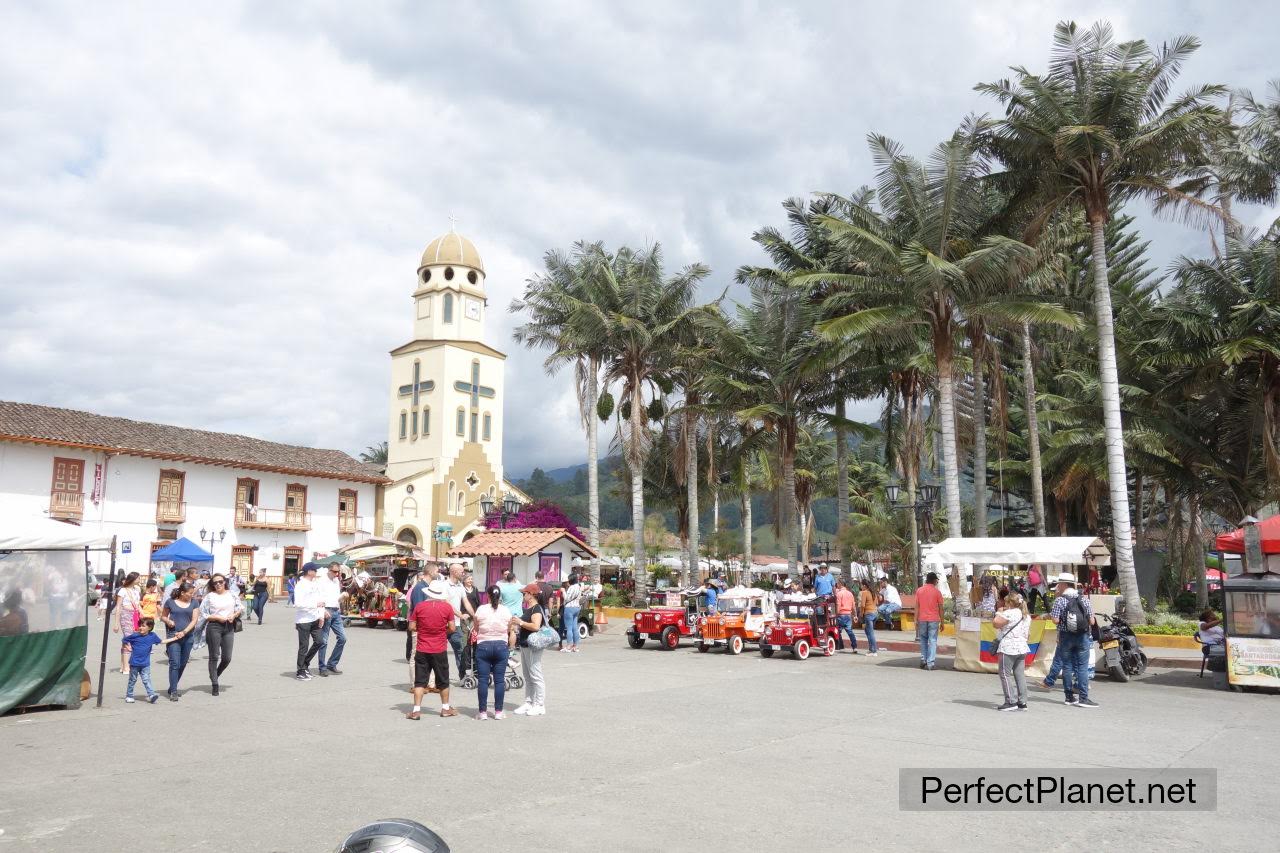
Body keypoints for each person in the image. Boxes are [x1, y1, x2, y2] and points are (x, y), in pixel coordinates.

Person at [406, 579, 457, 720]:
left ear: (428, 593)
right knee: (443, 680)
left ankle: (416, 711)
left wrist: (422, 629)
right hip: (439, 648)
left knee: (420, 681)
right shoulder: (447, 608)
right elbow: (452, 628)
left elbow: (411, 627)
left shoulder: (420, 607)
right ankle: (445, 708)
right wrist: (442, 631)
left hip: (422, 647)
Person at [1048, 572, 1097, 708]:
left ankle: (1069, 697)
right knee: (1082, 667)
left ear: (1064, 584)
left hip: (1066, 637)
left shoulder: (1059, 600)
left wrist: (1065, 620)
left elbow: (1055, 620)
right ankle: (1083, 698)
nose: (1058, 586)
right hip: (1082, 637)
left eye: (1059, 584)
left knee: (1067, 667)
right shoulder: (1085, 600)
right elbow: (1092, 621)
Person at [473, 584, 513, 719]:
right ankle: (498, 712)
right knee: (499, 681)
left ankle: (483, 712)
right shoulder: (506, 610)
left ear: (488, 596)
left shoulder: (481, 609)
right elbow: (508, 629)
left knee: (483, 680)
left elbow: (476, 628)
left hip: (483, 645)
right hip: (501, 645)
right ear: (499, 596)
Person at [200, 573, 242, 696]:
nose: (218, 584)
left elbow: (239, 608)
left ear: (225, 582)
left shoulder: (232, 594)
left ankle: (215, 674)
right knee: (214, 656)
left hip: (229, 627)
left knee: (227, 658)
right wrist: (217, 617)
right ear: (212, 585)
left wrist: (233, 615)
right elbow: (203, 613)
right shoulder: (209, 596)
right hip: (214, 626)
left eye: (220, 581)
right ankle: (215, 684)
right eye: (215, 583)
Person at [120, 617, 179, 703]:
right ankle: (129, 695)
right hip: (134, 663)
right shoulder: (135, 635)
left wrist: (174, 638)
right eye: (140, 625)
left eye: (143, 626)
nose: (140, 627)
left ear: (150, 627)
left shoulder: (152, 636)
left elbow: (162, 641)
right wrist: (127, 646)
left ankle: (151, 695)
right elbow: (124, 640)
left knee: (146, 680)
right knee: (132, 680)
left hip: (145, 664)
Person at [511, 583, 548, 716]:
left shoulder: (536, 609)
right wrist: (517, 625)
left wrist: (520, 623)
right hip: (525, 644)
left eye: (524, 593)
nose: (523, 595)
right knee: (528, 676)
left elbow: (536, 626)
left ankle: (539, 704)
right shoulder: (529, 608)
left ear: (531, 595)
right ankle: (529, 702)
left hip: (533, 646)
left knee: (536, 675)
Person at [160, 582, 199, 701]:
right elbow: (163, 616)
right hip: (173, 636)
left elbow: (194, 620)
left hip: (188, 637)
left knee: (182, 663)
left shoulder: (194, 603)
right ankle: (174, 691)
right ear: (182, 593)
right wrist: (168, 621)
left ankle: (172, 686)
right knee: (175, 663)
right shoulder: (170, 602)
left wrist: (184, 632)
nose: (192, 595)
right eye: (190, 593)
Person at [994, 591, 1031, 711]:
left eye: (1006, 601)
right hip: (1022, 647)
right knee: (1019, 675)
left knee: (1005, 674)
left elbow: (996, 623)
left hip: (1009, 647)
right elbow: (1027, 634)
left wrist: (998, 612)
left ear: (1010, 602)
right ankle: (1022, 701)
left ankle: (1010, 701)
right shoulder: (1026, 615)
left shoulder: (1010, 613)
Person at [293, 562, 328, 681]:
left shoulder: (314, 583)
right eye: (315, 570)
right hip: (303, 620)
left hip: (314, 618)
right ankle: (300, 671)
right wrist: (315, 604)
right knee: (304, 646)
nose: (316, 572)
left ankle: (305, 664)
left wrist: (321, 615)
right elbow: (298, 603)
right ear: (309, 571)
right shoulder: (301, 585)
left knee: (319, 641)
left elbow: (320, 600)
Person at [315, 565, 347, 677]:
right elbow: (318, 597)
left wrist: (342, 597)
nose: (337, 574)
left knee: (343, 638)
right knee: (324, 641)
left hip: (336, 611)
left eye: (338, 572)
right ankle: (322, 667)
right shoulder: (321, 581)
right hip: (326, 610)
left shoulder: (336, 581)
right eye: (334, 571)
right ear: (329, 570)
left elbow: (336, 597)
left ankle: (332, 663)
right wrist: (322, 610)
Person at [444, 563, 473, 674]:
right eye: (461, 571)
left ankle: (463, 676)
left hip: (456, 625)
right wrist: (460, 615)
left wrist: (475, 616)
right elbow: (447, 604)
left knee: (460, 650)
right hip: (444, 624)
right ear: (454, 572)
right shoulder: (444, 585)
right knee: (439, 652)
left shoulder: (460, 586)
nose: (463, 573)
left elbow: (466, 603)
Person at [915, 572, 944, 670]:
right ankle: (930, 663)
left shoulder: (919, 591)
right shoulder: (937, 592)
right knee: (932, 640)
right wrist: (943, 622)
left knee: (923, 639)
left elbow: (917, 607)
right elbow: (941, 608)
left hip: (922, 619)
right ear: (934, 580)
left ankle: (923, 659)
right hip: (933, 619)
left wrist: (915, 620)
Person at [113, 572, 142, 673]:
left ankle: (123, 665)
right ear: (133, 579)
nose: (139, 580)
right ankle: (126, 667)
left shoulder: (137, 590)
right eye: (138, 578)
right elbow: (118, 607)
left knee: (129, 639)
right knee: (129, 639)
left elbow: (138, 605)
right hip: (126, 615)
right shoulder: (122, 590)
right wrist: (116, 623)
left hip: (135, 615)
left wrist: (143, 615)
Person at [833, 580, 858, 654]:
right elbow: (853, 606)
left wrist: (836, 614)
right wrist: (855, 615)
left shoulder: (839, 594)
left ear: (840, 584)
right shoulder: (850, 594)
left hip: (841, 614)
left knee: (838, 631)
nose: (836, 585)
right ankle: (854, 647)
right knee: (850, 632)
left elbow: (838, 605)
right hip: (848, 615)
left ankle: (839, 645)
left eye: (837, 583)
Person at [560, 573, 583, 652]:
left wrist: (563, 591)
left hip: (569, 608)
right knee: (575, 627)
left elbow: (566, 598)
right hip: (577, 607)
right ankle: (575, 646)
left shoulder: (571, 587)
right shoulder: (579, 587)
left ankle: (568, 646)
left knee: (569, 628)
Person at [858, 580, 879, 656]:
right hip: (875, 613)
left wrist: (861, 613)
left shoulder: (864, 593)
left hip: (868, 614)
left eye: (861, 585)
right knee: (868, 632)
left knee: (870, 633)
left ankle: (873, 651)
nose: (861, 587)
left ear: (864, 586)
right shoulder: (873, 593)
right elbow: (876, 603)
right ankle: (871, 649)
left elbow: (863, 605)